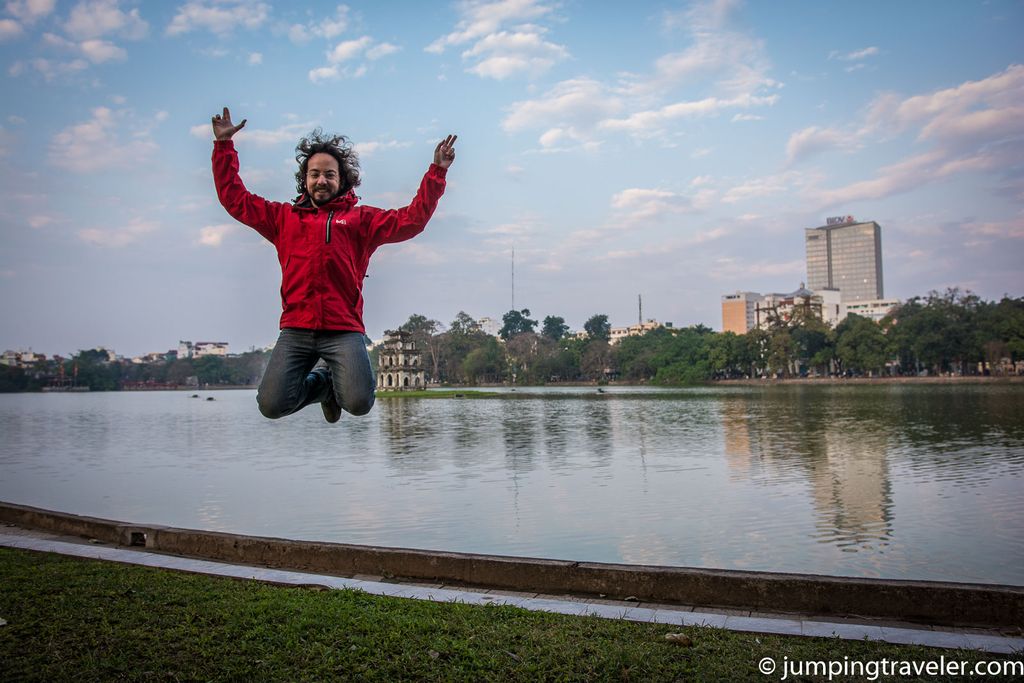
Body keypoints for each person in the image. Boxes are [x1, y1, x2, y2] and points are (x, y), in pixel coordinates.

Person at [211, 107, 456, 423]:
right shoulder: (283, 218)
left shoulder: (361, 221)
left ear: (342, 180)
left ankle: (331, 383)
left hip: (342, 329)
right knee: (271, 405)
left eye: (329, 174)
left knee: (358, 402)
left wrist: (437, 172)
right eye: (314, 174)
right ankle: (325, 384)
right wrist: (223, 147)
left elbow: (413, 220)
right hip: (297, 327)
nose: (321, 180)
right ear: (305, 180)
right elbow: (236, 200)